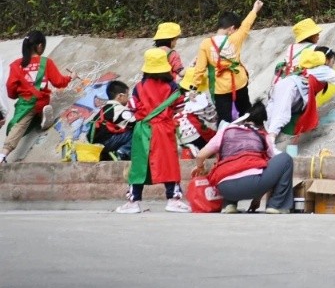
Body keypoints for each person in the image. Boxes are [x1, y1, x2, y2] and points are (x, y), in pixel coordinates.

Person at [118, 49, 190, 213]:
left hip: (144, 129)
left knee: (139, 165)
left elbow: (133, 108)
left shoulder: (139, 87)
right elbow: (179, 107)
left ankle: (133, 202)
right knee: (169, 164)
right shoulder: (172, 86)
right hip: (164, 129)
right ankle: (173, 200)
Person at [194, 101, 294, 214]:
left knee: (228, 165)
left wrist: (200, 167)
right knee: (285, 159)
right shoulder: (263, 136)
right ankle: (276, 205)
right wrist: (258, 196)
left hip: (225, 188)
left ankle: (229, 204)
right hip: (253, 185)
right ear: (262, 124)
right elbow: (269, 168)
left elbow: (200, 155)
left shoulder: (226, 131)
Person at [2, 31, 73, 164]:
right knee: (41, 107)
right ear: (40, 46)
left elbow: (10, 87)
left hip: (25, 103)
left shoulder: (16, 65)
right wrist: (70, 77)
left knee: (18, 127)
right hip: (42, 100)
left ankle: (3, 155)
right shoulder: (46, 62)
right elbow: (59, 82)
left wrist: (16, 95)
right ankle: (43, 117)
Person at [193, 0, 264, 123]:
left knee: (224, 121)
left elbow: (200, 69)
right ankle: (250, 131)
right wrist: (254, 10)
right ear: (231, 28)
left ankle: (227, 133)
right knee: (246, 114)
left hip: (221, 88)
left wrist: (193, 88)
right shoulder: (234, 39)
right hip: (239, 83)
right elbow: (246, 25)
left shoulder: (205, 44)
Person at [265, 47, 335, 145]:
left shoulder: (305, 67)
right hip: (291, 88)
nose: (332, 65)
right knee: (281, 116)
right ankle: (270, 144)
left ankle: (262, 141)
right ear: (326, 60)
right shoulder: (323, 69)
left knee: (268, 118)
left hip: (280, 86)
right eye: (332, 62)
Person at [86, 80, 136, 160]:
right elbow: (134, 121)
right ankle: (123, 151)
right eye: (127, 95)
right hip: (107, 142)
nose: (128, 98)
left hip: (97, 145)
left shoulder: (104, 109)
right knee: (137, 131)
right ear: (120, 96)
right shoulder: (118, 109)